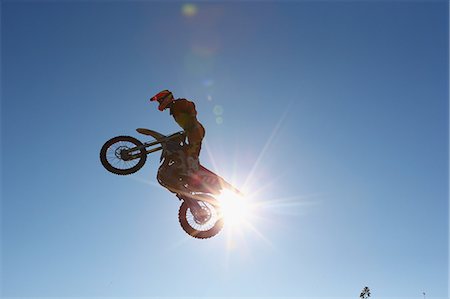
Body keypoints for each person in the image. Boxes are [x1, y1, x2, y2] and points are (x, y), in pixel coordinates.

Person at [150, 90, 205, 192]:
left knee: (191, 154)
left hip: (195, 130)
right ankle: (188, 175)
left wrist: (193, 117)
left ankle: (195, 178)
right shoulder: (174, 109)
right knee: (185, 151)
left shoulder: (178, 103)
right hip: (190, 131)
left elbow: (191, 104)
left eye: (160, 101)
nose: (160, 104)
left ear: (165, 99)